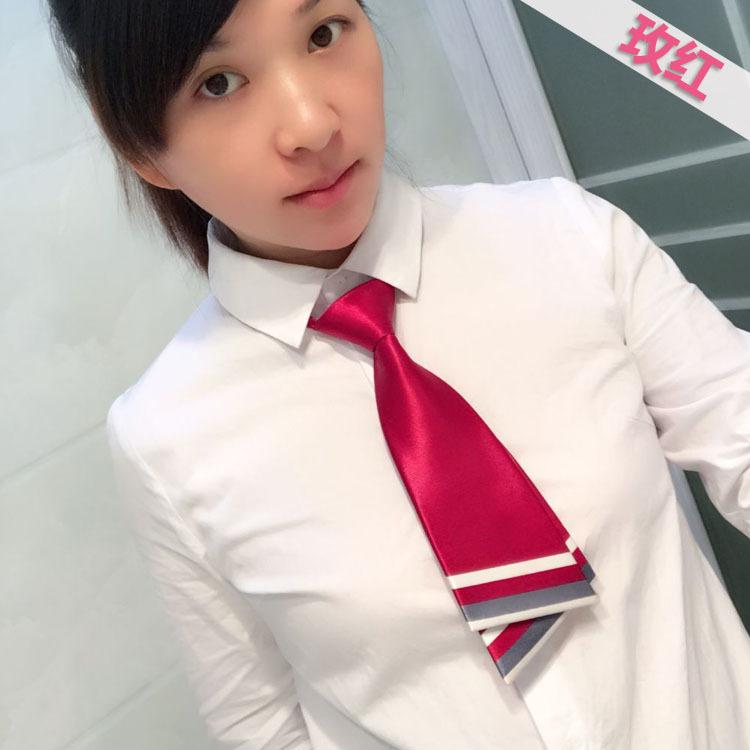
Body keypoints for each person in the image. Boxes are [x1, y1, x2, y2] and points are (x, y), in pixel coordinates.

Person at [46, 0, 750, 748]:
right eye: (218, 82)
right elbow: (260, 723)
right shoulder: (164, 438)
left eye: (323, 34)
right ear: (138, 141)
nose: (312, 124)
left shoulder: (570, 238)